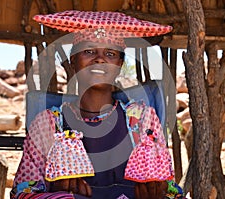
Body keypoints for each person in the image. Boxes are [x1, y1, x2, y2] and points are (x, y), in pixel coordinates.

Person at [11, 10, 185, 199]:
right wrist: (56, 191)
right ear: (73, 61)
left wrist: (155, 193)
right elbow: (22, 191)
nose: (99, 59)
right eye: (89, 51)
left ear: (119, 64)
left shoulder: (143, 118)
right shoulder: (48, 124)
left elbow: (168, 187)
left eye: (110, 54)